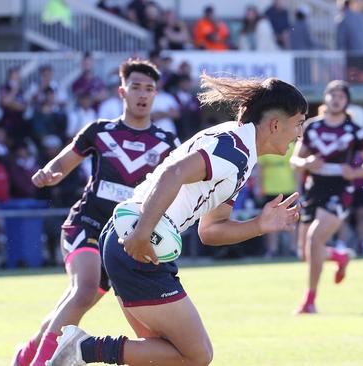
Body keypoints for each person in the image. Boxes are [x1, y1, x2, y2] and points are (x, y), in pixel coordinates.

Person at [46, 75, 308, 366]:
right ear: (274, 125)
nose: (299, 134)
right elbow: (175, 174)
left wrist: (258, 225)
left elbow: (211, 229)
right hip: (140, 239)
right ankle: (84, 348)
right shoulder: (234, 151)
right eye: (298, 123)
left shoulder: (239, 149)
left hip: (133, 235)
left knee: (160, 356)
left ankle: (84, 349)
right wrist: (142, 234)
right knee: (197, 355)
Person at [11, 59, 179, 366]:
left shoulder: (168, 144)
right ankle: (41, 363)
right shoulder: (100, 131)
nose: (142, 94)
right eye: (136, 87)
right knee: (85, 290)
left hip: (120, 240)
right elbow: (63, 163)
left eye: (149, 89)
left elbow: (178, 187)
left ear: (156, 95)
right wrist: (49, 173)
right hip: (86, 223)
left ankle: (26, 353)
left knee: (75, 301)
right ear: (122, 91)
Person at [290, 80, 363, 314]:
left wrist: (356, 171)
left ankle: (309, 301)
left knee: (313, 240)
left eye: (341, 96)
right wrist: (307, 162)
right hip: (314, 188)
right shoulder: (312, 127)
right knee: (305, 253)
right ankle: (339, 256)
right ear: (325, 98)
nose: (336, 99)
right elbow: (294, 161)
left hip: (341, 190)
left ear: (347, 101)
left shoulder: (354, 131)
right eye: (332, 94)